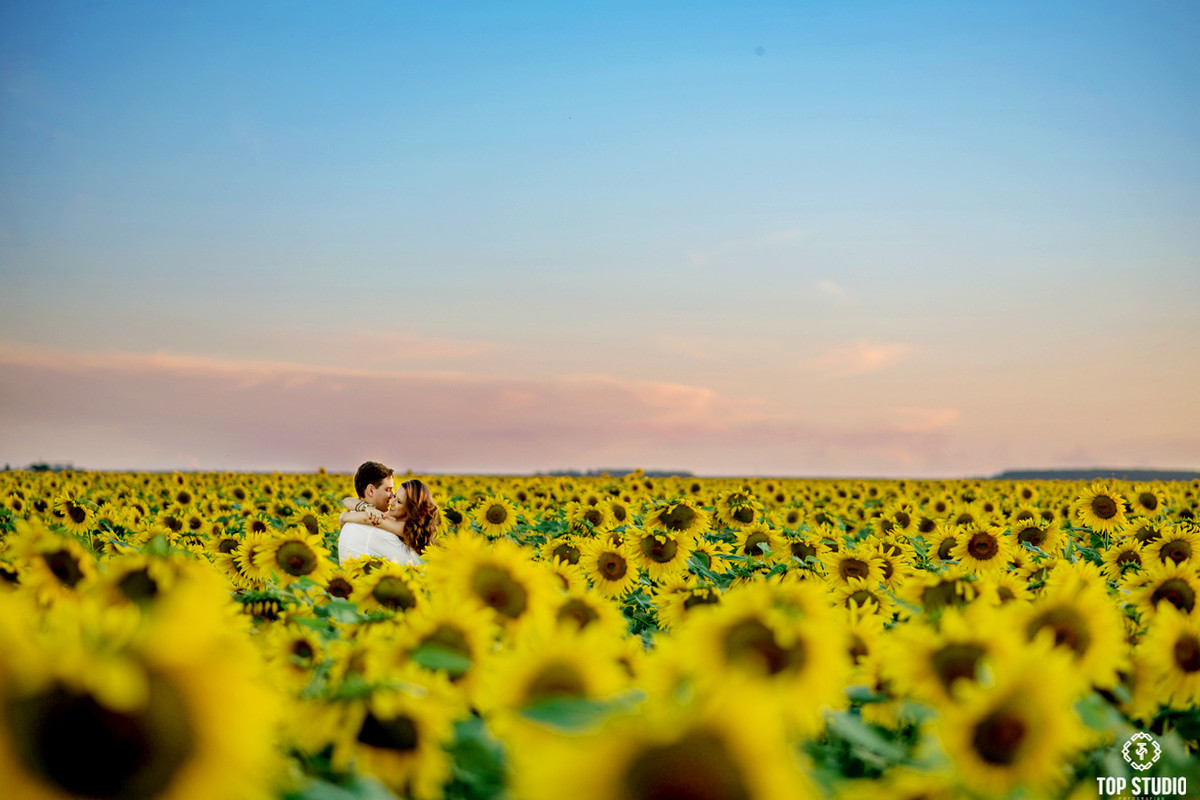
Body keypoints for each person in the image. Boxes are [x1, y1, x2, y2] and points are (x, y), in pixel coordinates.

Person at [338, 475, 441, 566]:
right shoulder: (394, 519)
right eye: (395, 496)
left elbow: (368, 519)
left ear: (411, 509)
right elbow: (347, 501)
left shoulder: (406, 528)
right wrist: (366, 507)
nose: (391, 502)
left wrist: (345, 517)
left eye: (399, 502)